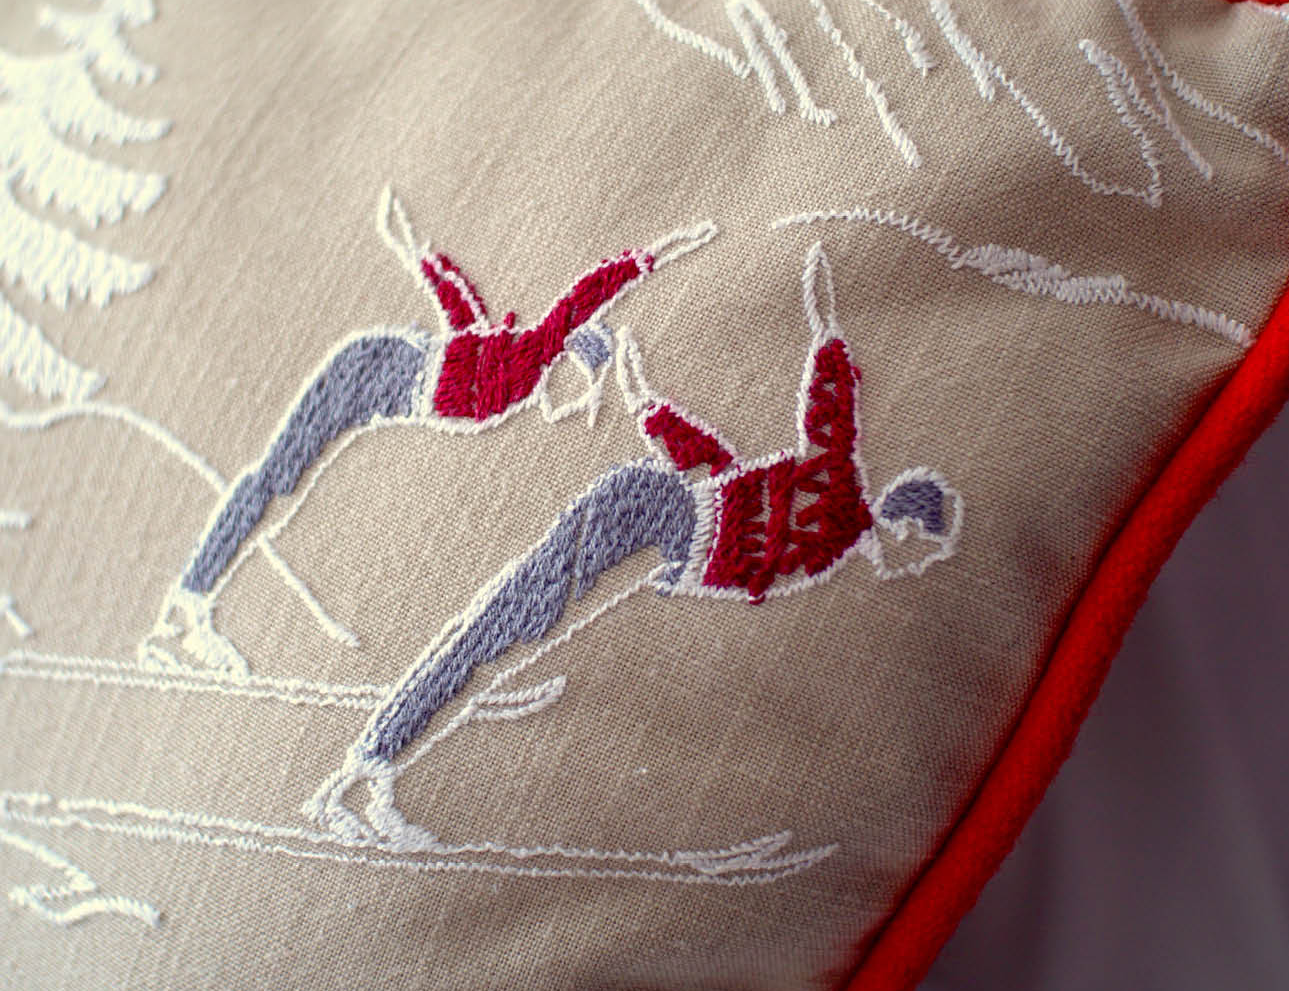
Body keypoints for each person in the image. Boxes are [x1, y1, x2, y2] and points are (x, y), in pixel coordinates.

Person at [304, 243, 962, 848]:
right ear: (906, 523)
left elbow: (728, 477)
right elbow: (827, 400)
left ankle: (372, 770)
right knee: (502, 628)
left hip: (657, 530)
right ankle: (365, 774)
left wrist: (649, 406)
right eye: (923, 548)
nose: (916, 563)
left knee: (507, 628)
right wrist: (826, 313)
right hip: (653, 527)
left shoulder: (835, 529)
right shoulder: (840, 495)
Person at [140, 187, 715, 675]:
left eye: (585, 390)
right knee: (278, 483)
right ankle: (187, 606)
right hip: (371, 371)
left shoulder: (507, 370)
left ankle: (189, 605)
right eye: (580, 379)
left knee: (281, 486)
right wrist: (653, 257)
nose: (575, 400)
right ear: (566, 353)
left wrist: (420, 256)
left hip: (378, 387)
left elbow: (462, 315)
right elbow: (590, 293)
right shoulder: (532, 355)